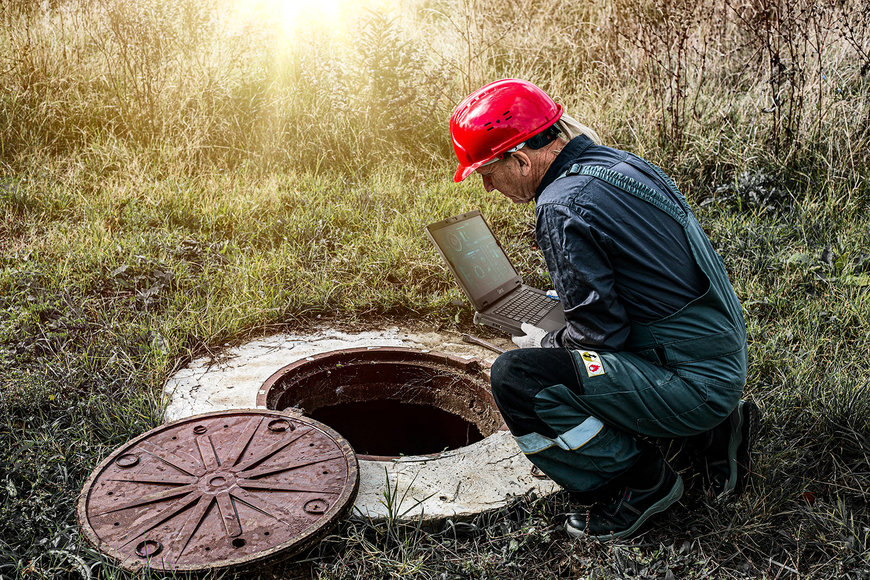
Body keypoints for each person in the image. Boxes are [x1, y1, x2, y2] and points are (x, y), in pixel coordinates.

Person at [448, 78, 760, 540]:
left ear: (520, 158)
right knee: (560, 338)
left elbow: (597, 339)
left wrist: (547, 341)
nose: (490, 188)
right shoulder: (617, 164)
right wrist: (569, 305)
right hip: (717, 352)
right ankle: (714, 430)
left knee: (518, 379)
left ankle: (636, 483)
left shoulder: (559, 206)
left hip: (693, 381)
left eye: (489, 173)